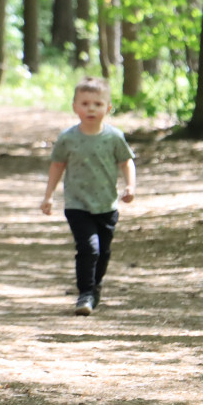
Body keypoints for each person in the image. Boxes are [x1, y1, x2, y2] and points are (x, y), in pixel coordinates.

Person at [41, 76, 136, 316]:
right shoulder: (68, 138)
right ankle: (85, 292)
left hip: (106, 204)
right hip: (77, 204)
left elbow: (126, 162)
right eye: (84, 103)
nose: (91, 108)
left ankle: (95, 287)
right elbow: (57, 165)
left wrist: (130, 186)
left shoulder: (114, 137)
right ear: (75, 107)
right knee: (89, 248)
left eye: (97, 104)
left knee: (103, 251)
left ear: (108, 108)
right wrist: (49, 195)